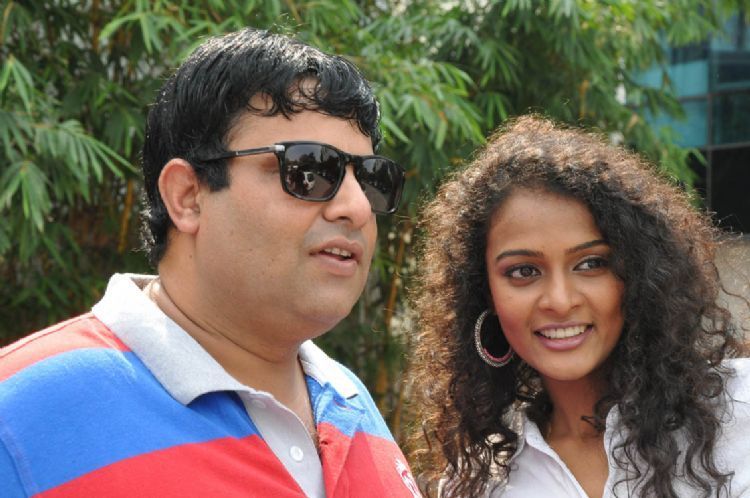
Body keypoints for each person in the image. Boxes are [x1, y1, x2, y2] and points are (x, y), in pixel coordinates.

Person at [0, 28, 422, 498]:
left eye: (370, 179)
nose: (357, 208)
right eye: (310, 169)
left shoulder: (350, 402)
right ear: (187, 196)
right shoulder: (22, 414)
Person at [410, 115, 750, 498]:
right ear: (485, 291)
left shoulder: (741, 410)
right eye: (523, 271)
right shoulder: (480, 481)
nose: (559, 301)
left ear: (637, 275)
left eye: (590, 264)